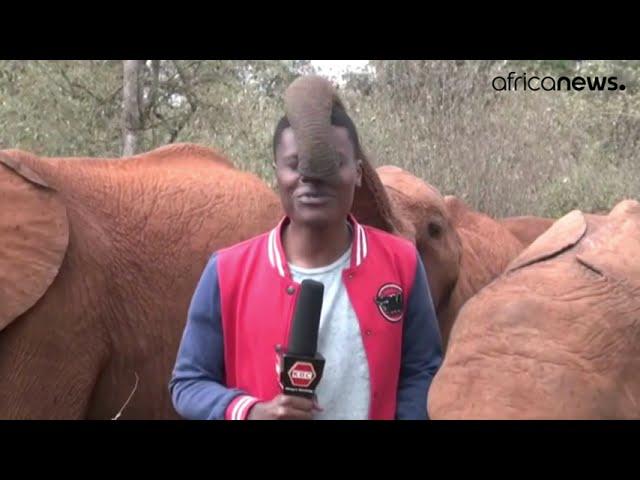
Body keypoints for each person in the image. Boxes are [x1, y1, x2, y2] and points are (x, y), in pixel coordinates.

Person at [169, 75, 442, 420]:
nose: (312, 179)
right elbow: (188, 382)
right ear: (276, 173)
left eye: (333, 163)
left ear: (358, 173)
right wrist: (251, 412)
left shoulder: (400, 262)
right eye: (296, 165)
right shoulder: (227, 271)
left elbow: (422, 369)